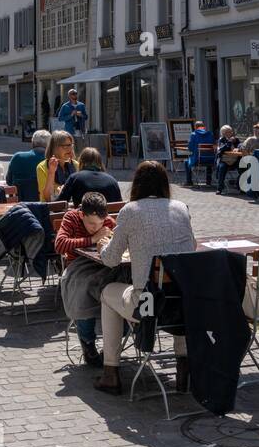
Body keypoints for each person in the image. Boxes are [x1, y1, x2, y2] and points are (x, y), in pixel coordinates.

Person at [95, 161, 195, 395]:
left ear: (136, 186)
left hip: (148, 305)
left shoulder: (130, 211)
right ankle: (183, 365)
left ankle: (111, 371)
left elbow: (110, 260)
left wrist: (103, 245)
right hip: (183, 303)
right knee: (176, 290)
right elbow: (192, 245)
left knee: (107, 292)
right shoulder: (181, 207)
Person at [55, 192, 117, 366]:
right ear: (82, 214)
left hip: (101, 268)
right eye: (90, 223)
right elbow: (60, 245)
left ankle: (113, 345)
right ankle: (87, 342)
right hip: (78, 268)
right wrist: (90, 239)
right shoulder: (72, 217)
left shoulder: (108, 223)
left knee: (120, 288)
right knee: (81, 292)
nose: (95, 227)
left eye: (99, 224)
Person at [6, 129, 50, 202]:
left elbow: (9, 181)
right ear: (49, 145)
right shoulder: (52, 161)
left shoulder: (17, 157)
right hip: (42, 205)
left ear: (32, 142)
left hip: (19, 204)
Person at [36, 131, 79, 200]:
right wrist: (51, 172)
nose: (70, 149)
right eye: (65, 146)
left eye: (71, 145)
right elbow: (47, 198)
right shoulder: (42, 167)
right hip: (51, 208)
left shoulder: (76, 165)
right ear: (55, 148)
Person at [184, 120, 215, 187]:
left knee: (186, 162)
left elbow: (190, 148)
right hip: (211, 159)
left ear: (195, 127)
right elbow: (213, 145)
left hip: (198, 159)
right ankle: (208, 181)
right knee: (208, 161)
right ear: (203, 127)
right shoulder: (210, 134)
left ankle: (189, 181)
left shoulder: (193, 134)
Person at [215, 125, 242, 193]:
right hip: (224, 160)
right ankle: (220, 188)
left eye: (230, 132)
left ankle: (240, 186)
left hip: (235, 159)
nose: (230, 133)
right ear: (223, 133)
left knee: (243, 167)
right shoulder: (221, 140)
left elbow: (240, 145)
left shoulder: (236, 139)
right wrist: (229, 142)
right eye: (227, 132)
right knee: (222, 168)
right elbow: (221, 149)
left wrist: (238, 148)